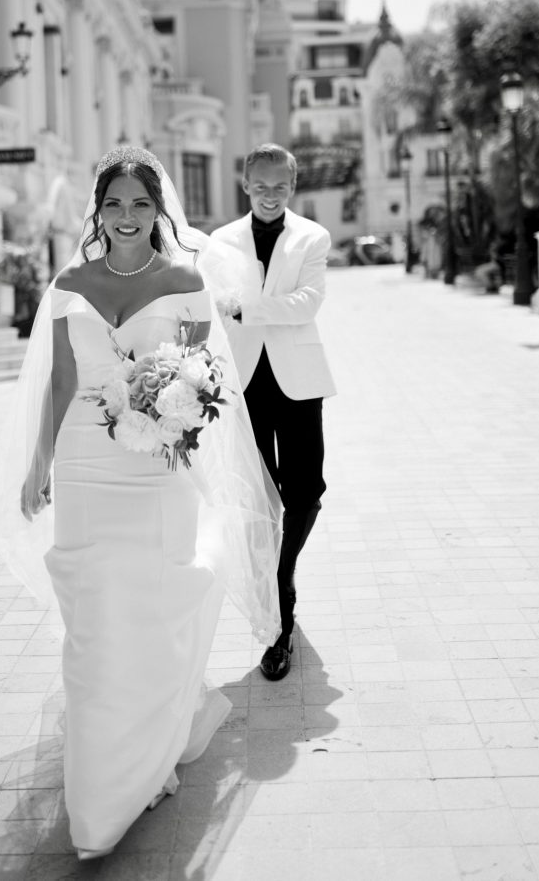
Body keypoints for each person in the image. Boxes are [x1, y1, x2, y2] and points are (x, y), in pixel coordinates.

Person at [0, 146, 281, 859]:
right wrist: (39, 465)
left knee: (148, 612)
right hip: (87, 469)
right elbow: (61, 378)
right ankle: (99, 791)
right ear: (98, 209)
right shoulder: (68, 282)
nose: (126, 217)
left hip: (155, 471)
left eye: (140, 204)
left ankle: (150, 749)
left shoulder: (185, 280)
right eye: (114, 204)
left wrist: (175, 420)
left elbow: (205, 380)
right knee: (92, 626)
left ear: (159, 210)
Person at [207, 143, 336, 681]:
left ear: (292, 184)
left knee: (305, 490)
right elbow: (213, 304)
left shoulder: (312, 236)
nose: (270, 195)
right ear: (245, 184)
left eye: (280, 186)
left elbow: (309, 303)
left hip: (298, 379)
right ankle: (279, 623)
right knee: (259, 494)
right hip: (244, 382)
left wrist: (247, 307)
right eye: (260, 186)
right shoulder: (219, 242)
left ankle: (283, 576)